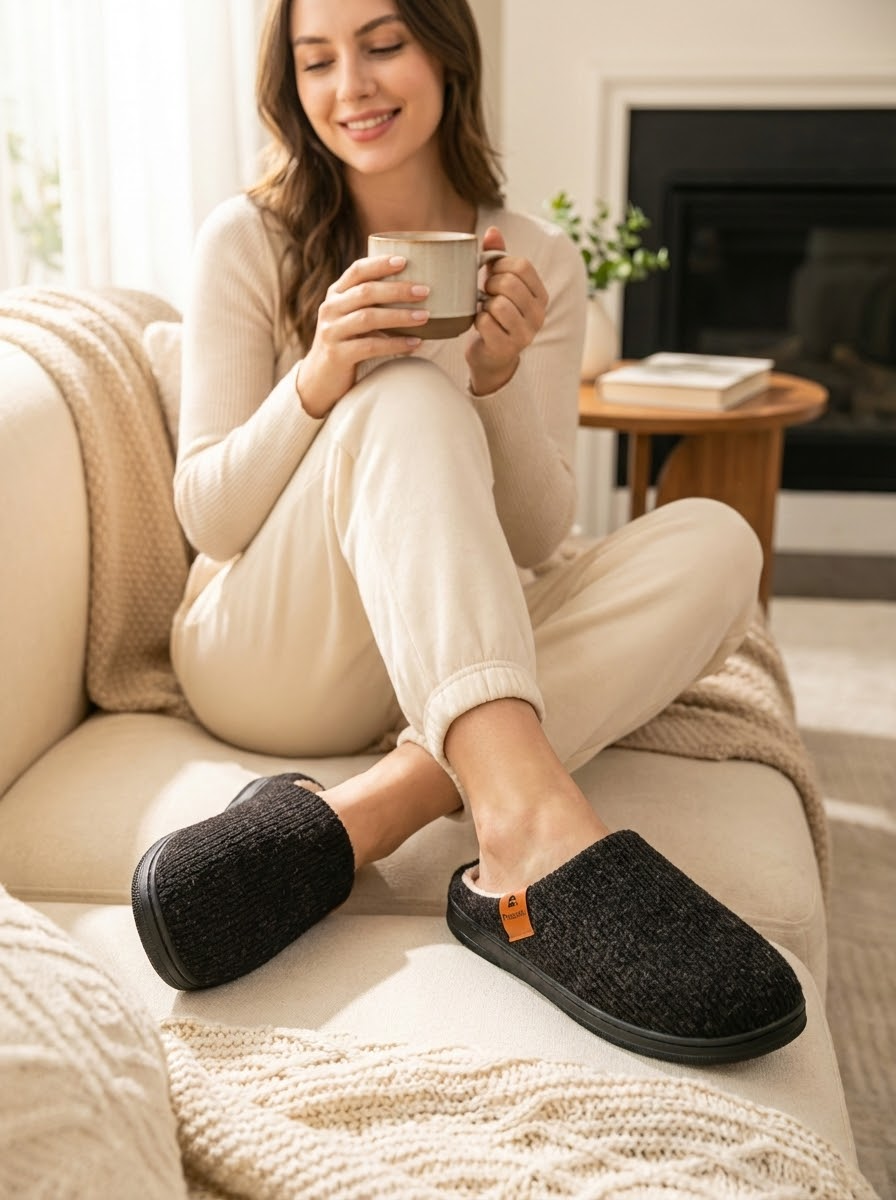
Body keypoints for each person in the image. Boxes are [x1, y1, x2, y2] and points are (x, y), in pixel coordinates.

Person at [131, 0, 806, 1064]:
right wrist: (320, 377)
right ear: (292, 85)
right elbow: (208, 514)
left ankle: (369, 812)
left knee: (716, 541)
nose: (349, 86)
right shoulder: (249, 238)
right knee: (403, 398)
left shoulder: (531, 254)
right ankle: (529, 832)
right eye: (316, 61)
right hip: (264, 648)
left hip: (430, 658)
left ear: (446, 52)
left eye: (382, 43)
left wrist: (494, 382)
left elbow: (539, 540)